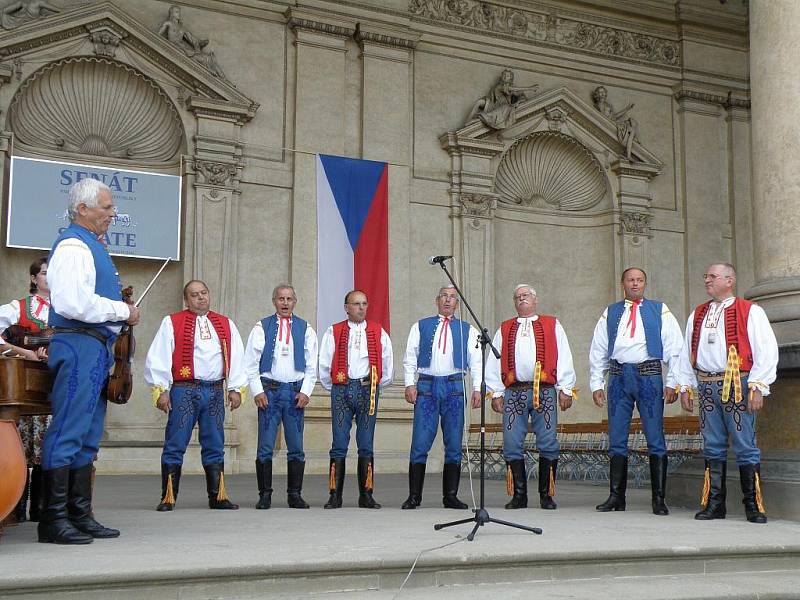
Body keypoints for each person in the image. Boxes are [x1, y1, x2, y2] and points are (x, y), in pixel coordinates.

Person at [39, 178, 140, 544]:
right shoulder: (72, 245)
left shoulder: (89, 246)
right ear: (83, 209)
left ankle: (79, 514)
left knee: (88, 433)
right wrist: (123, 310)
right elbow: (71, 303)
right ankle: (54, 519)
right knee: (69, 427)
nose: (113, 213)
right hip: (78, 343)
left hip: (94, 346)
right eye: (107, 207)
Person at [678, 263, 778, 523]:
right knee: (712, 444)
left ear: (730, 280)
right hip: (706, 384)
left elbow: (765, 350)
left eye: (712, 276)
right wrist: (686, 386)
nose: (707, 280)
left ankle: (753, 505)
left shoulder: (750, 311)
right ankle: (715, 504)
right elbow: (686, 353)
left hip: (738, 384)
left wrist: (757, 386)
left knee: (745, 445)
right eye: (706, 275)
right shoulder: (698, 313)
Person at [589, 267, 684, 515]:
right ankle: (616, 497)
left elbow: (675, 347)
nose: (635, 284)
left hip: (649, 375)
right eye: (631, 280)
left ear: (645, 283)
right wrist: (596, 383)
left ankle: (658, 499)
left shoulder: (659, 310)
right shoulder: (610, 312)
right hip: (619, 376)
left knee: (655, 438)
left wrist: (673, 381)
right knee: (617, 438)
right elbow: (598, 348)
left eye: (639, 280)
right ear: (623, 283)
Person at [145, 280, 246, 512]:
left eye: (203, 293)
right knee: (175, 442)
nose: (200, 298)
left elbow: (238, 356)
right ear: (186, 299)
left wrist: (236, 388)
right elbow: (159, 356)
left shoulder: (225, 323)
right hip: (183, 390)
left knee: (215, 443)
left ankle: (217, 496)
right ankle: (168, 496)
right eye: (194, 295)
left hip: (214, 390)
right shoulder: (171, 322)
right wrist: (161, 390)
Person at [485, 285, 577, 510]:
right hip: (514, 392)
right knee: (511, 442)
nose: (521, 299)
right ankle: (519, 496)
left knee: (548, 442)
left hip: (544, 391)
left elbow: (564, 354)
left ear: (535, 300)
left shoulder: (552, 324)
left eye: (525, 296)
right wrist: (495, 392)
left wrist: (566, 388)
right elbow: (494, 361)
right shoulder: (504, 328)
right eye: (517, 297)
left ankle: (546, 495)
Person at [401, 285, 483, 510]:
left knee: (454, 443)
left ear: (457, 303)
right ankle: (414, 496)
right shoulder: (421, 326)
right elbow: (410, 356)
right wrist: (409, 383)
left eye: (452, 298)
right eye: (444, 297)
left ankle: (450, 496)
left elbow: (476, 362)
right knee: (420, 442)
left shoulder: (468, 330)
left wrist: (477, 388)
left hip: (455, 386)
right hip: (426, 385)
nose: (448, 301)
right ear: (437, 300)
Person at [243, 284, 317, 510]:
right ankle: (264, 494)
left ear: (295, 301)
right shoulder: (261, 327)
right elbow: (250, 363)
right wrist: (257, 391)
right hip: (270, 392)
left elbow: (312, 364)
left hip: (295, 393)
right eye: (281, 299)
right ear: (274, 301)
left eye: (289, 299)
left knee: (296, 446)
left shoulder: (306, 328)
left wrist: (306, 391)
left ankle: (294, 494)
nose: (285, 303)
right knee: (265, 445)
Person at [319, 290, 393, 509]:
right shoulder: (334, 331)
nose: (361, 308)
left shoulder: (378, 331)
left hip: (367, 390)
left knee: (366, 443)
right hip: (341, 390)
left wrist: (376, 384)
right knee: (339, 443)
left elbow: (388, 364)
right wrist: (336, 387)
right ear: (346, 307)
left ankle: (366, 495)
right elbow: (324, 365)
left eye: (364, 304)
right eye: (356, 304)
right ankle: (335, 495)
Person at [0, 257, 50, 522]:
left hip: (55, 384)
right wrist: (25, 353)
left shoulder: (68, 309)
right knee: (20, 447)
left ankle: (41, 509)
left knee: (47, 450)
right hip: (23, 387)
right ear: (33, 279)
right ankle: (12, 508)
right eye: (44, 273)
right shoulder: (18, 308)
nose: (49, 277)